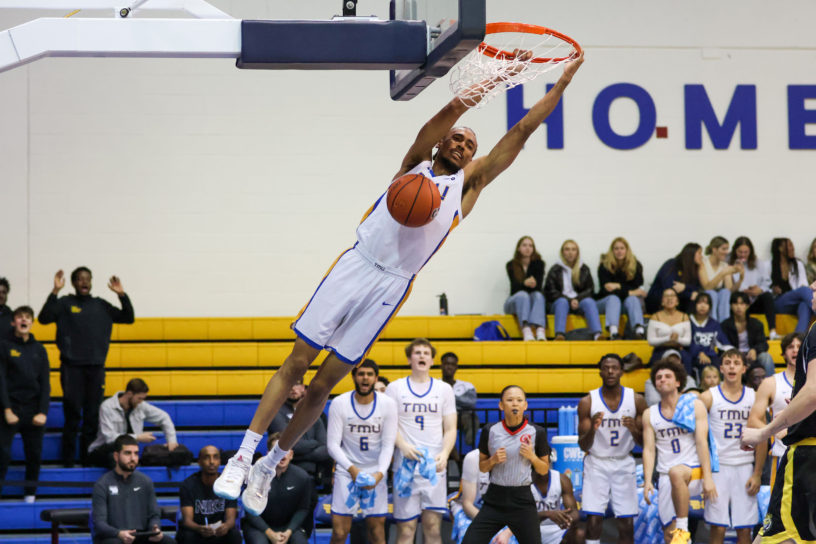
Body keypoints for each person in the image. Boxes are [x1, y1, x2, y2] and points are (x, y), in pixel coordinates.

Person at [213, 53, 585, 513]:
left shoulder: (469, 187)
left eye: (470, 143)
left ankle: (271, 462)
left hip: (392, 285)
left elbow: (523, 131)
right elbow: (449, 112)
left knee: (324, 384)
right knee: (297, 361)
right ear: (440, 144)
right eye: (457, 138)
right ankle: (243, 455)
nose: (463, 144)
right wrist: (495, 79)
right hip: (357, 263)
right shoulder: (414, 164)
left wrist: (561, 83)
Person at [740, 281, 816, 544]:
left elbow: (813, 393)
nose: (813, 285)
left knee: (774, 539)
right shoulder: (772, 382)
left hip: (808, 455)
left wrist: (764, 432)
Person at [38, 267, 135, 467]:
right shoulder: (65, 303)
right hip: (71, 368)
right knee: (72, 414)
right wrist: (55, 291)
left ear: (91, 282)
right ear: (73, 283)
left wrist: (121, 295)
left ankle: (87, 458)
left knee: (92, 416)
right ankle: (67, 461)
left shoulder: (100, 305)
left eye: (87, 279)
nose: (84, 282)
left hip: (95, 368)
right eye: (80, 279)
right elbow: (44, 318)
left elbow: (128, 317)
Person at [386, 339, 457, 544]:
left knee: (433, 528)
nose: (422, 356)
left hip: (434, 467)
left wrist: (444, 453)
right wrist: (402, 445)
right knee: (406, 530)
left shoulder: (444, 389)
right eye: (417, 352)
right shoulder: (395, 388)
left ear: (432, 360)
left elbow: (451, 427)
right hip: (405, 466)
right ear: (409, 359)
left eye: (426, 353)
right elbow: (390, 425)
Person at [461, 385, 550, 544]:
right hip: (495, 500)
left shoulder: (538, 432)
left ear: (525, 405)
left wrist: (532, 457)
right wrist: (493, 460)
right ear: (501, 405)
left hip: (522, 501)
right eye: (509, 400)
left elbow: (543, 470)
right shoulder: (490, 430)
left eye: (519, 400)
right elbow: (482, 467)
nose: (514, 404)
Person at [642, 359, 717, 544]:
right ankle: (681, 534)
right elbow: (649, 450)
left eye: (668, 376)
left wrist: (708, 477)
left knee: (676, 472)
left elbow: (702, 443)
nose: (662, 380)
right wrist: (647, 481)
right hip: (666, 475)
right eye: (658, 378)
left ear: (678, 382)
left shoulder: (693, 405)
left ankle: (683, 527)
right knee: (670, 535)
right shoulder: (649, 413)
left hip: (693, 471)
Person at [577, 353, 647, 544]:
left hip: (624, 461)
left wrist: (633, 429)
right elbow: (583, 444)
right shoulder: (587, 402)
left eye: (614, 368)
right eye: (606, 368)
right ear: (599, 371)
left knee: (626, 522)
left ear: (622, 371)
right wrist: (592, 428)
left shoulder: (637, 400)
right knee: (593, 518)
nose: (610, 371)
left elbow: (645, 443)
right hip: (596, 462)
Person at [326, 359, 397, 544]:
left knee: (377, 532)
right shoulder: (339, 403)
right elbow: (332, 445)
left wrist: (380, 473)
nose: (365, 378)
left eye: (369, 374)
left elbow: (389, 444)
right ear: (354, 376)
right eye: (361, 374)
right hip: (347, 471)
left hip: (375, 471)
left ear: (375, 378)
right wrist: (352, 470)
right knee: (340, 532)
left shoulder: (388, 404)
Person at [698, 350, 760, 544]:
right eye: (727, 362)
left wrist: (757, 474)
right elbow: (698, 439)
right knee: (717, 526)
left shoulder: (753, 396)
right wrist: (706, 475)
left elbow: (763, 437)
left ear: (744, 368)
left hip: (745, 465)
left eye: (736, 362)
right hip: (719, 467)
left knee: (745, 528)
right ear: (721, 368)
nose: (732, 366)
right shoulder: (708, 397)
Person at [0, 306, 50, 501]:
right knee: (2, 454)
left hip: (33, 409)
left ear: (31, 322)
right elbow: (1, 380)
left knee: (34, 454)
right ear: (13, 322)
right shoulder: (4, 346)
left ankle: (30, 494)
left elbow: (45, 383)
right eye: (20, 317)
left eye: (27, 317)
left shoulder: (40, 349)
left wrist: (43, 411)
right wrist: (6, 409)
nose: (23, 320)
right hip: (10, 408)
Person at [91, 434, 174, 544]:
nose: (133, 458)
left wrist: (155, 529)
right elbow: (99, 523)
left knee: (168, 542)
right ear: (116, 456)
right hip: (115, 537)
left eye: (136, 453)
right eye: (127, 453)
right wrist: (118, 533)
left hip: (141, 535)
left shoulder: (145, 481)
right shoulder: (102, 484)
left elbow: (154, 514)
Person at [748, 332, 801, 489]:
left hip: (810, 453)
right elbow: (754, 419)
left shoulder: (812, 382)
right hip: (782, 455)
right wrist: (773, 429)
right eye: (791, 347)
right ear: (783, 353)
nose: (795, 350)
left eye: (799, 346)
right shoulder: (771, 383)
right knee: (779, 511)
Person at [88, 378, 179, 468]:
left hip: (126, 452)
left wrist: (172, 441)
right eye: (139, 398)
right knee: (118, 458)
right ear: (129, 394)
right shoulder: (107, 407)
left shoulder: (140, 405)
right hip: (102, 450)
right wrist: (138, 437)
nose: (141, 402)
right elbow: (110, 438)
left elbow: (164, 417)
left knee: (131, 458)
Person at [242, 434, 312, 544]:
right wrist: (270, 533)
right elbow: (249, 510)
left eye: (286, 450)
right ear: (269, 454)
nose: (282, 454)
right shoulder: (256, 475)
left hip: (289, 528)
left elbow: (303, 509)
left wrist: (289, 531)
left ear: (291, 454)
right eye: (277, 450)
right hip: (260, 527)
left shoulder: (302, 477)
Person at [492, 469, 582, 544]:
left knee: (579, 534)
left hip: (556, 529)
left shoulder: (561, 479)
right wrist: (547, 514)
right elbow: (520, 518)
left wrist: (567, 519)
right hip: (530, 529)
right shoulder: (521, 482)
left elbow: (574, 512)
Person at [268, 379, 331, 485]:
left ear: (302, 388)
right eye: (290, 384)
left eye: (296, 384)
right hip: (283, 468)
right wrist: (314, 443)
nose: (293, 388)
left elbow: (325, 449)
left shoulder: (313, 412)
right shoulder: (275, 411)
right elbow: (288, 443)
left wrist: (297, 456)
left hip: (310, 471)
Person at [177, 446, 241, 544]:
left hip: (219, 533)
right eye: (207, 457)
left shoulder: (228, 485)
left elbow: (231, 520)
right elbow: (187, 521)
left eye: (215, 457)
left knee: (234, 535)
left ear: (219, 461)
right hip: (198, 532)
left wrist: (226, 526)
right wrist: (199, 529)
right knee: (186, 536)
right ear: (199, 461)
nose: (211, 461)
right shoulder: (188, 485)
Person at [544, 239, 602, 341]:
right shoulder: (555, 269)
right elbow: (551, 292)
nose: (570, 253)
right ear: (562, 252)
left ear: (577, 253)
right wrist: (569, 300)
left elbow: (590, 290)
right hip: (560, 304)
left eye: (573, 249)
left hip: (578, 302)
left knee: (589, 301)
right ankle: (559, 334)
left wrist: (577, 299)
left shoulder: (584, 269)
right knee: (562, 302)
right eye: (567, 249)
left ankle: (597, 334)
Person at [595, 237, 646, 340]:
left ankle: (639, 331)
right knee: (614, 298)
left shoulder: (636, 265)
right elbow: (607, 290)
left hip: (626, 305)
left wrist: (618, 286)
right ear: (612, 251)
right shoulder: (604, 266)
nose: (619, 251)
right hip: (607, 304)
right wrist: (631, 292)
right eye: (616, 248)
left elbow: (638, 285)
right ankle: (614, 333)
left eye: (622, 248)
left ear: (627, 250)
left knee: (632, 299)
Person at [729, 236, 778, 339]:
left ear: (750, 251)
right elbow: (730, 286)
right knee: (735, 298)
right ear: (735, 251)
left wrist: (759, 289)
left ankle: (772, 331)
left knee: (768, 296)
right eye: (740, 252)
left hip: (755, 300)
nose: (743, 255)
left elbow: (767, 282)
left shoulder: (758, 263)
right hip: (739, 299)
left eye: (746, 252)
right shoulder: (730, 263)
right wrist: (744, 291)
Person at [721, 292, 775, 376]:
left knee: (766, 357)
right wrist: (736, 354)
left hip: (752, 357)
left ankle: (770, 385)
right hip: (733, 358)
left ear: (747, 306)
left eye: (742, 303)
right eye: (735, 303)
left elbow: (764, 344)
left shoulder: (756, 324)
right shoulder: (725, 325)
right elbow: (723, 346)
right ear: (731, 306)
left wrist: (754, 350)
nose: (739, 307)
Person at [504, 236, 547, 341]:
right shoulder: (511, 265)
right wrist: (524, 284)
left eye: (530, 246)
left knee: (538, 295)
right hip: (513, 303)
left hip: (531, 301)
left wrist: (532, 284)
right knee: (523, 295)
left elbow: (538, 286)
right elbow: (515, 288)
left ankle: (540, 329)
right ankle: (526, 329)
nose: (528, 248)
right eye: (524, 245)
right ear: (518, 248)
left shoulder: (539, 264)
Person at [770, 237, 815, 333]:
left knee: (804, 305)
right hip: (779, 302)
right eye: (789, 245)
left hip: (796, 301)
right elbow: (764, 288)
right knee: (804, 291)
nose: (793, 248)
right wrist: (773, 290)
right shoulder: (770, 265)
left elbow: (803, 284)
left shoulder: (797, 264)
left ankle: (797, 339)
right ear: (780, 248)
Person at [646, 243, 703, 314]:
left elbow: (698, 287)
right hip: (658, 300)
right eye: (699, 253)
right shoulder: (672, 264)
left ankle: (689, 323)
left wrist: (685, 287)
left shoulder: (694, 268)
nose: (702, 256)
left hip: (680, 300)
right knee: (678, 297)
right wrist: (689, 294)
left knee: (695, 299)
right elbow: (670, 288)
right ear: (691, 254)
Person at [448, 448, 490, 544]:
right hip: (473, 510)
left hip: (503, 515)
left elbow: (519, 511)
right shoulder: (473, 458)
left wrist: (507, 532)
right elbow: (467, 504)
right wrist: (489, 525)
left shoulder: (515, 460)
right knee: (469, 533)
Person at [647, 288, 692, 371]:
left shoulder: (684, 317)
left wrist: (677, 339)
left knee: (687, 359)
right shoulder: (655, 317)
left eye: (672, 296)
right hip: (660, 350)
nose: (669, 298)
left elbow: (688, 341)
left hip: (680, 350)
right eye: (666, 296)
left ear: (677, 301)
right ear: (662, 301)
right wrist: (668, 338)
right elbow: (651, 341)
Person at [440, 351, 478, 447]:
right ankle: (456, 457)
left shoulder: (467, 385)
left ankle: (469, 446)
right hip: (441, 417)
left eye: (452, 364)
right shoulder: (434, 384)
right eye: (446, 364)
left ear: (456, 367)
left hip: (462, 416)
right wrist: (459, 400)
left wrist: (448, 396)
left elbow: (471, 402)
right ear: (441, 366)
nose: (449, 367)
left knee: (472, 417)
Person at [688, 292, 733, 373]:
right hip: (694, 356)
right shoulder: (688, 321)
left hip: (711, 356)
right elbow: (687, 343)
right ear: (695, 305)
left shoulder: (714, 324)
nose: (702, 306)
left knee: (723, 366)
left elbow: (722, 341)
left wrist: (734, 353)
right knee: (705, 367)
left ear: (710, 306)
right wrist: (699, 354)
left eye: (706, 303)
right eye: (699, 303)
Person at [699, 236, 741, 322]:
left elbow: (729, 289)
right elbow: (707, 287)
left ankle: (724, 324)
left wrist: (741, 277)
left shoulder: (724, 265)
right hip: (704, 294)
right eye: (724, 249)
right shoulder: (703, 262)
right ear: (714, 249)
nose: (726, 252)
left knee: (725, 292)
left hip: (718, 295)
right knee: (712, 293)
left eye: (727, 249)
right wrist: (722, 274)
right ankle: (713, 323)